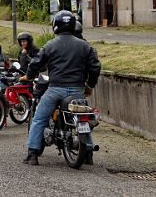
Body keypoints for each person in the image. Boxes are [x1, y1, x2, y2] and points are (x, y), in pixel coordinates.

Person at [21, 10, 101, 166]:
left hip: (55, 89)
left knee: (39, 118)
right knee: (83, 117)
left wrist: (29, 75)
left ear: (55, 26)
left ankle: (32, 154)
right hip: (78, 90)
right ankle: (88, 153)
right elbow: (95, 67)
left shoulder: (50, 45)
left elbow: (35, 63)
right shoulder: (85, 46)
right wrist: (90, 85)